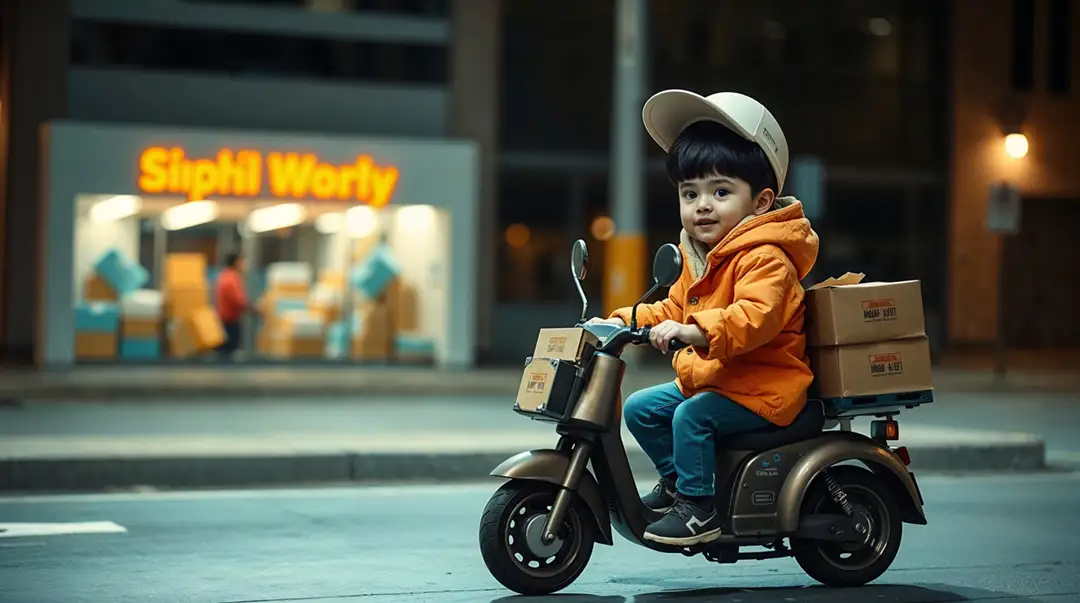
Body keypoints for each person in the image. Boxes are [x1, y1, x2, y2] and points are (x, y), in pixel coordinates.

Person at [586, 90, 819, 546]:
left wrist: (694, 331)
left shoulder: (767, 258)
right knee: (641, 409)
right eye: (689, 193)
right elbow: (673, 307)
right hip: (721, 380)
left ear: (761, 201)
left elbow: (756, 317)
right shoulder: (702, 259)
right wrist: (621, 321)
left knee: (690, 418)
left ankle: (699, 508)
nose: (702, 205)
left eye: (721, 191)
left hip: (764, 386)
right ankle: (679, 484)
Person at [214, 252, 249, 358]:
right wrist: (255, 308)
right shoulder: (231, 279)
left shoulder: (224, 276)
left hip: (225, 320)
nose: (245, 265)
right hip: (229, 322)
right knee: (229, 354)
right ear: (236, 262)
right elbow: (238, 301)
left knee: (225, 352)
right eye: (243, 262)